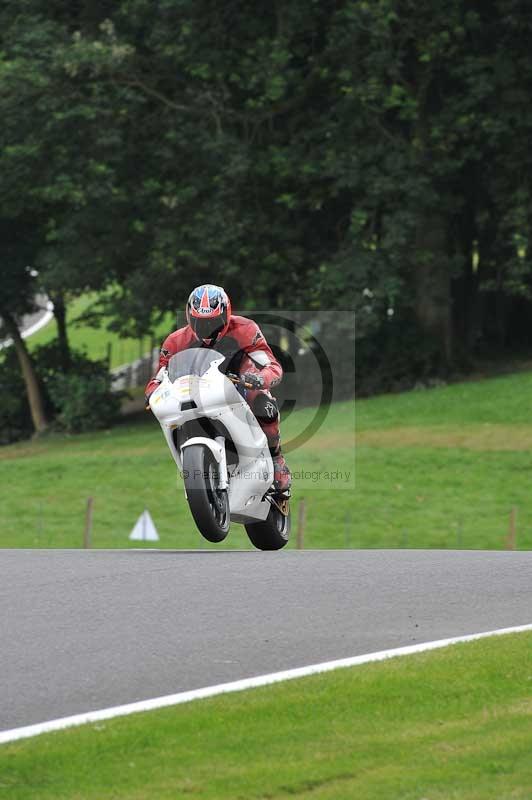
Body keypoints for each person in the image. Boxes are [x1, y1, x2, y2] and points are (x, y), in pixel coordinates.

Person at [145, 284, 291, 494]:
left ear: (226, 314)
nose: (207, 328)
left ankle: (277, 460)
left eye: (213, 321)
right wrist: (151, 393)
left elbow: (272, 365)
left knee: (263, 404)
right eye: (199, 322)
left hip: (238, 383)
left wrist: (260, 378)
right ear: (189, 316)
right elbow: (159, 376)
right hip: (196, 390)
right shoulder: (175, 341)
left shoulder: (246, 329)